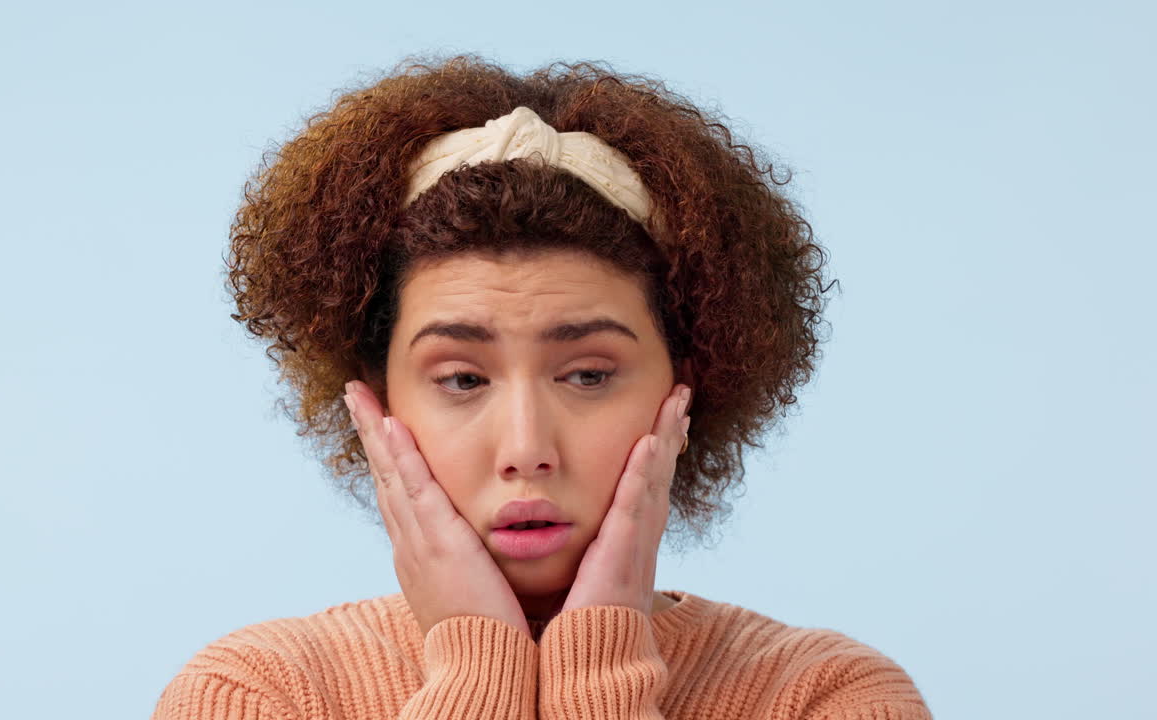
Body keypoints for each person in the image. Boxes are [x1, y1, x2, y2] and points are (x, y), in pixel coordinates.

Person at [151, 53, 933, 720]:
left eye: (588, 374)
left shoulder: (824, 695)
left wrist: (600, 673)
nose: (527, 449)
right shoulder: (260, 692)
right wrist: (474, 668)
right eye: (462, 378)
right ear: (377, 406)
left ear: (683, 394)